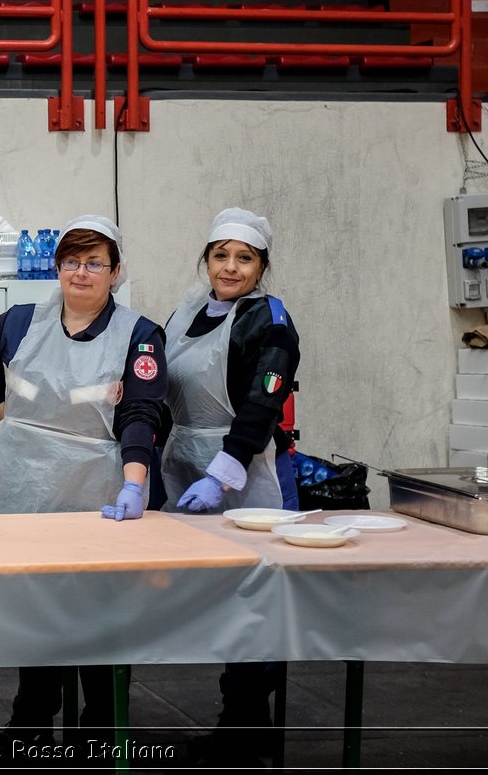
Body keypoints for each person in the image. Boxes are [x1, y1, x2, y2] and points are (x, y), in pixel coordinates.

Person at [0, 215, 167, 757]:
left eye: (95, 262)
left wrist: (133, 483)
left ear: (116, 272)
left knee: (101, 614)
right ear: (57, 268)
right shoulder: (18, 321)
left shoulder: (139, 335)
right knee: (38, 612)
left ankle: (100, 730)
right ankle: (29, 725)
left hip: (96, 489)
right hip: (24, 485)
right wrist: (8, 416)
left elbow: (141, 412)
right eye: (72, 261)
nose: (82, 272)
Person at [159, 207, 299, 765]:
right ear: (207, 259)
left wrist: (225, 470)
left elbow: (265, 402)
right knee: (217, 598)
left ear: (261, 265)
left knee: (256, 599)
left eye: (245, 258)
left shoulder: (270, 320)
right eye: (222, 255)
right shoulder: (184, 313)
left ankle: (248, 738)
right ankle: (234, 730)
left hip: (246, 471)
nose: (231, 268)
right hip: (185, 464)